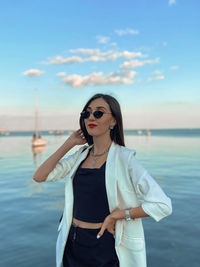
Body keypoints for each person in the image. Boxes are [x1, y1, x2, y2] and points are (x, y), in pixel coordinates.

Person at [33, 93, 172, 267]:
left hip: (104, 247)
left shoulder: (125, 159)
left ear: (113, 121)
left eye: (98, 113)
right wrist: (69, 143)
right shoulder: (79, 156)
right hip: (72, 244)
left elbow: (163, 205)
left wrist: (119, 215)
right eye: (87, 113)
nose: (91, 117)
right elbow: (39, 176)